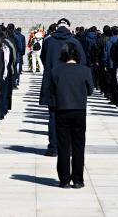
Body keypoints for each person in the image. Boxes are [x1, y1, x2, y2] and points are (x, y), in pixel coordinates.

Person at [39, 19, 87, 156]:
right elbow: (82, 61)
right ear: (68, 27)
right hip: (71, 84)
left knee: (53, 116)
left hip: (53, 82)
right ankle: (69, 148)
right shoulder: (75, 41)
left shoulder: (48, 41)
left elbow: (43, 58)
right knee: (70, 117)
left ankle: (53, 148)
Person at [50, 43, 93, 189]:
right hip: (79, 110)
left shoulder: (56, 70)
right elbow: (90, 90)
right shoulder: (85, 70)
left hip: (62, 109)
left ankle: (64, 179)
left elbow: (52, 90)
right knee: (78, 145)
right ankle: (78, 179)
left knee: (63, 146)